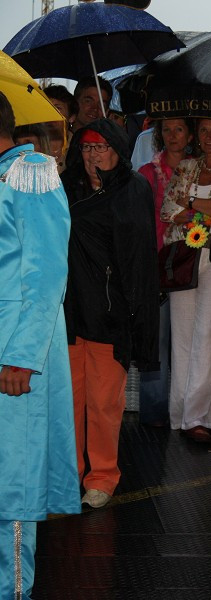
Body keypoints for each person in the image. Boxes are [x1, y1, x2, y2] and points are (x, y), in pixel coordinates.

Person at [0, 90, 81, 600]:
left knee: (14, 478)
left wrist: (21, 358)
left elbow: (47, 272)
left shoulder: (30, 172)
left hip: (13, 350)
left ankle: (13, 590)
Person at [62, 118, 159, 509]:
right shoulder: (63, 187)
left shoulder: (134, 190)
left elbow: (139, 263)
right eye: (86, 147)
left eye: (101, 147)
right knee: (67, 403)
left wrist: (139, 322)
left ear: (118, 150)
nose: (93, 154)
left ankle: (102, 476)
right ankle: (65, 475)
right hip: (66, 314)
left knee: (104, 404)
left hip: (109, 315)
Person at [160, 118, 211, 443]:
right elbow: (166, 210)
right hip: (184, 258)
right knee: (183, 336)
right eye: (203, 130)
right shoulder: (187, 166)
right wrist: (205, 210)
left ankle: (198, 417)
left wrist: (189, 205)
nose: (209, 136)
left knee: (207, 334)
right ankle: (181, 414)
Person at [137, 118, 194, 428]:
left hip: (189, 267)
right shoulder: (147, 174)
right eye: (167, 130)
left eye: (180, 129)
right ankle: (153, 415)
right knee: (156, 343)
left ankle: (187, 411)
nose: (173, 136)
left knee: (187, 341)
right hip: (156, 267)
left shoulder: (201, 171)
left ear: (190, 134)